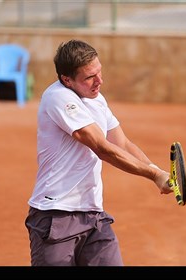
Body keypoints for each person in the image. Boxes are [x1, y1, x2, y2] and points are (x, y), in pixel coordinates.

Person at [25, 39, 173, 266]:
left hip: (94, 217)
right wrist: (152, 176)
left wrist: (157, 170)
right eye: (89, 77)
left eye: (99, 72)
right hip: (56, 215)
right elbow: (101, 147)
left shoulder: (98, 100)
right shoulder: (57, 97)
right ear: (67, 80)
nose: (99, 81)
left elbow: (122, 143)